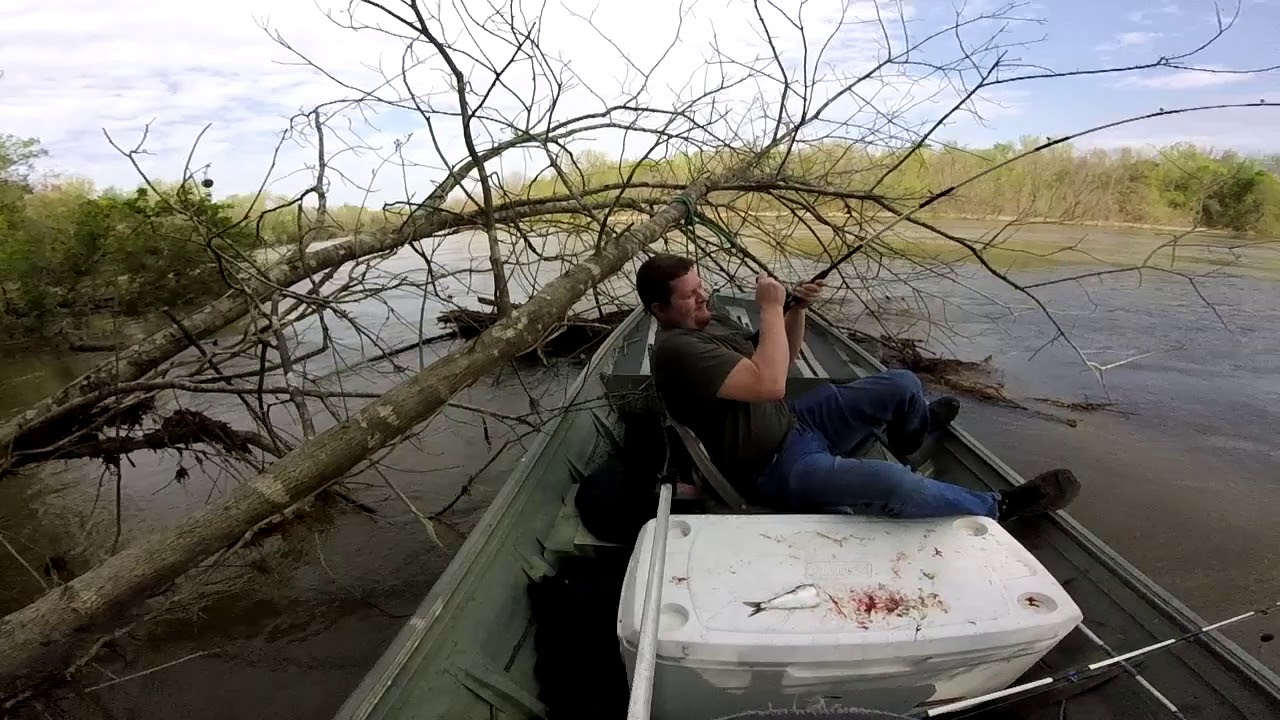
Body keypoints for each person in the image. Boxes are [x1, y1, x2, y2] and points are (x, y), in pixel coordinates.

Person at [636, 252, 1080, 522]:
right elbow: (770, 384)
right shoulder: (678, 350)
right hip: (771, 469)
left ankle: (912, 434)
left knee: (903, 383)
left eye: (702, 286)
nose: (704, 297)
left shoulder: (712, 322)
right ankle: (1000, 506)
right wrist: (770, 307)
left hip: (796, 423)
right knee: (892, 482)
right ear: (659, 309)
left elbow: (782, 361)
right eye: (690, 295)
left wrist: (796, 309)